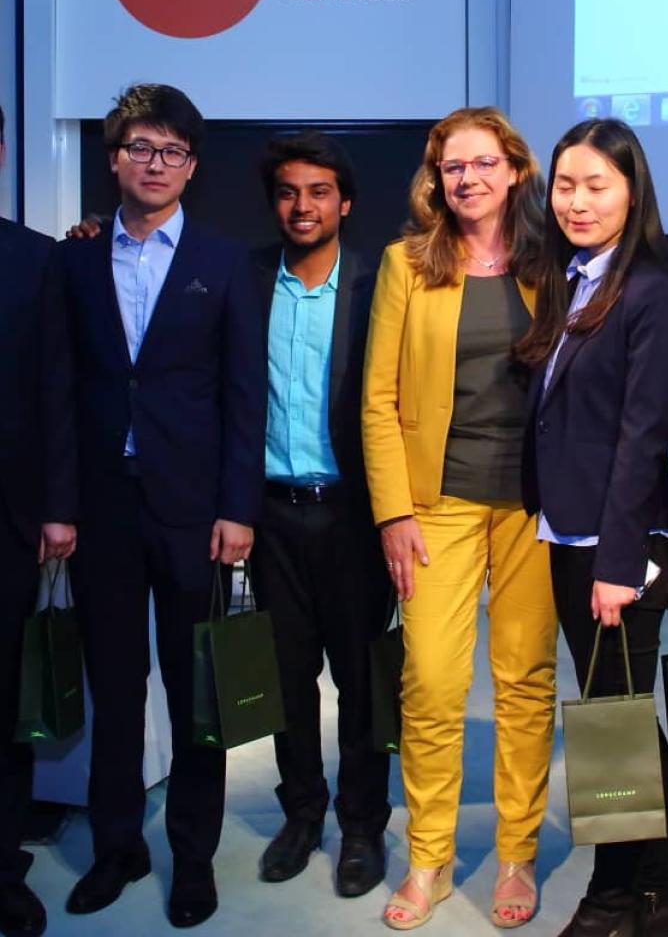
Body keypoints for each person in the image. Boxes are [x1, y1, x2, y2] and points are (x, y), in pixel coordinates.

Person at [57, 84, 266, 929]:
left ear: (191, 166)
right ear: (114, 159)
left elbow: (244, 396)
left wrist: (239, 509)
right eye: (141, 148)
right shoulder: (74, 260)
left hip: (194, 512)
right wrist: (59, 504)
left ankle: (193, 856)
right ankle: (117, 848)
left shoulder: (224, 262)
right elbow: (60, 390)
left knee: (194, 693)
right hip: (101, 509)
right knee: (114, 689)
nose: (156, 163)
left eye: (173, 151)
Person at [362, 106, 556, 930]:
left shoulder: (555, 261)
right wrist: (392, 513)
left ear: (514, 170)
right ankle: (429, 858)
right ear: (435, 180)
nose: (467, 178)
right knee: (433, 682)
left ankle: (516, 852)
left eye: (482, 163)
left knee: (525, 680)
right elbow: (377, 398)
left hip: (535, 506)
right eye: (452, 167)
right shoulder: (407, 263)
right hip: (435, 505)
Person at [517, 117, 668, 937]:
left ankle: (615, 894)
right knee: (616, 716)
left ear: (633, 191)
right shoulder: (572, 279)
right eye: (565, 185)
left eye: (597, 185)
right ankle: (654, 887)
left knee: (613, 726)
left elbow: (642, 436)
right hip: (569, 534)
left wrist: (618, 562)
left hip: (622, 547)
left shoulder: (651, 290)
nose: (577, 202)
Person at [251, 131, 392, 896]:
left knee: (362, 683)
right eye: (287, 192)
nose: (301, 206)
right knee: (285, 680)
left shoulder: (379, 284)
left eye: (317, 192)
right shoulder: (245, 279)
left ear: (346, 203)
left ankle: (363, 825)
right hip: (270, 516)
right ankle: (302, 814)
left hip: (353, 517)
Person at [0, 106, 75, 937]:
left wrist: (59, 507)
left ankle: (3, 868)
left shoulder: (36, 260)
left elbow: (58, 388)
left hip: (9, 522)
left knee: (3, 701)